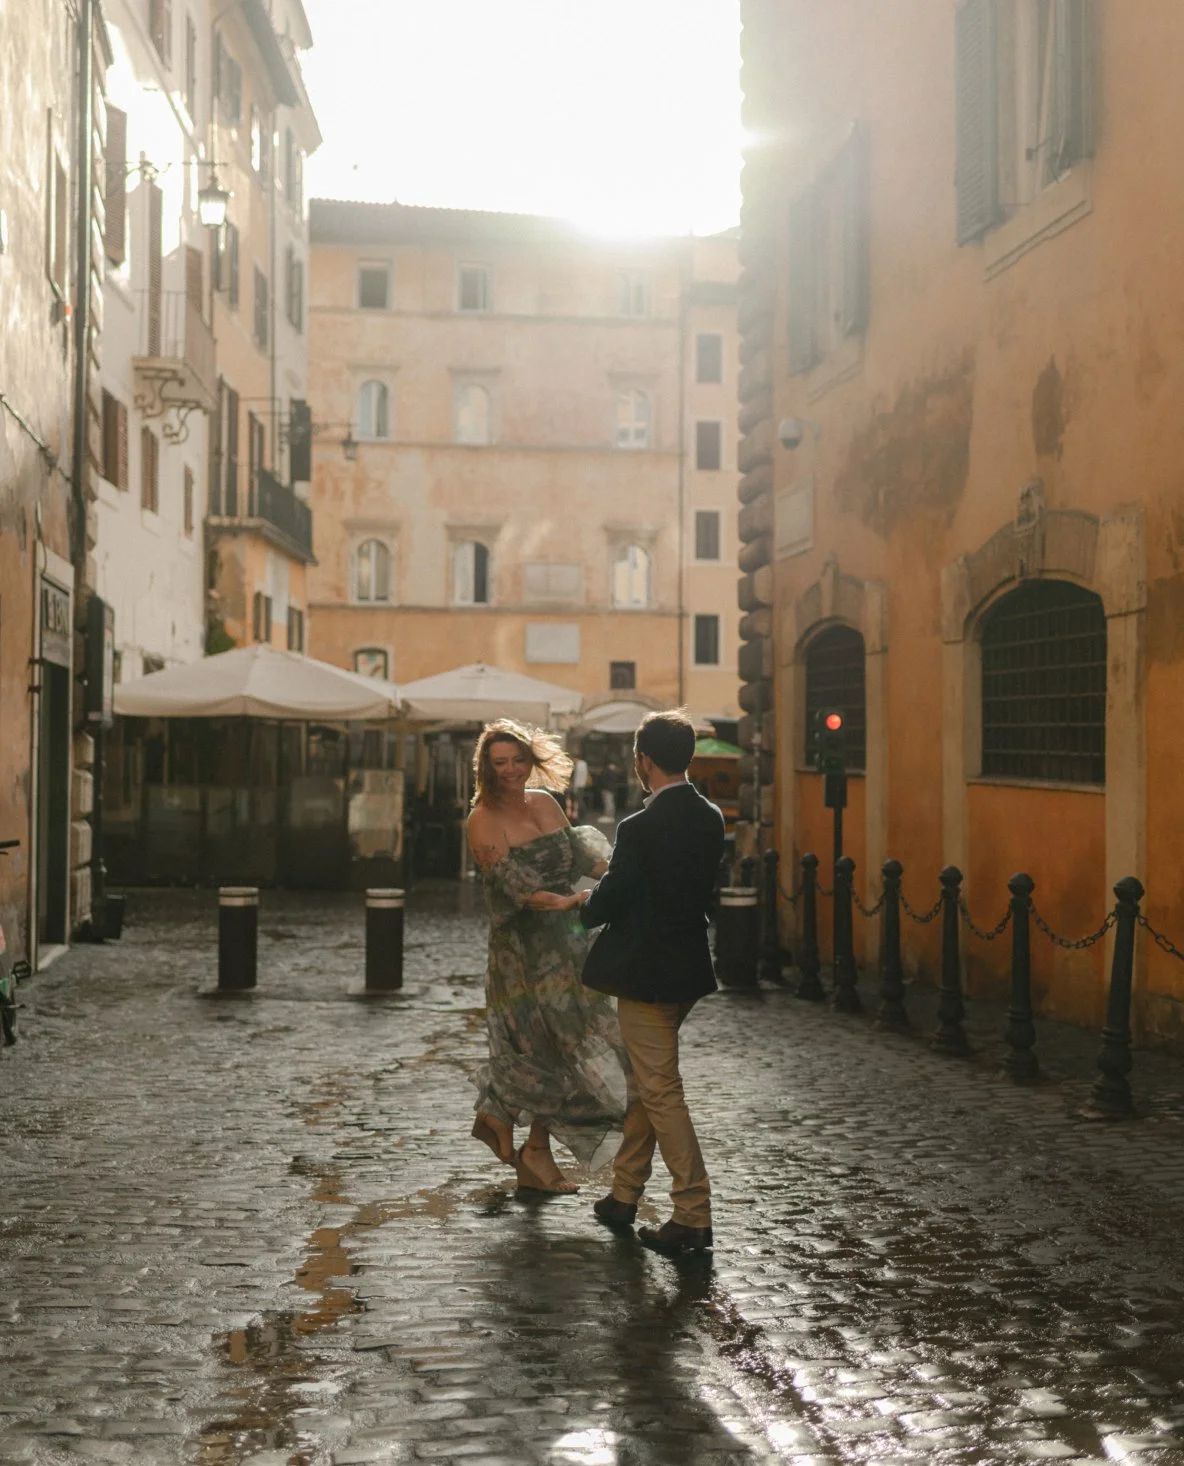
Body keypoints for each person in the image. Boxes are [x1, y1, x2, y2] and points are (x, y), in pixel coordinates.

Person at [576, 709, 725, 1255]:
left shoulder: (638, 828)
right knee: (647, 1081)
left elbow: (613, 897)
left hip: (645, 974)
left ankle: (693, 1213)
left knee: (660, 1091)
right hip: (687, 969)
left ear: (643, 759)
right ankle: (623, 1194)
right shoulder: (710, 816)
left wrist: (579, 909)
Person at [467, 719, 630, 1194]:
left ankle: (525, 1142)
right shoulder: (482, 820)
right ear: (486, 767)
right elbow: (515, 889)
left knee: (576, 1046)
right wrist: (566, 902)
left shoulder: (545, 802)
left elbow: (584, 861)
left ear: (531, 760)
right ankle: (504, 1120)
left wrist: (626, 869)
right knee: (538, 1049)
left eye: (518, 760)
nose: (512, 770)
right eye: (500, 763)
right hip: (521, 953)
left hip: (568, 944)